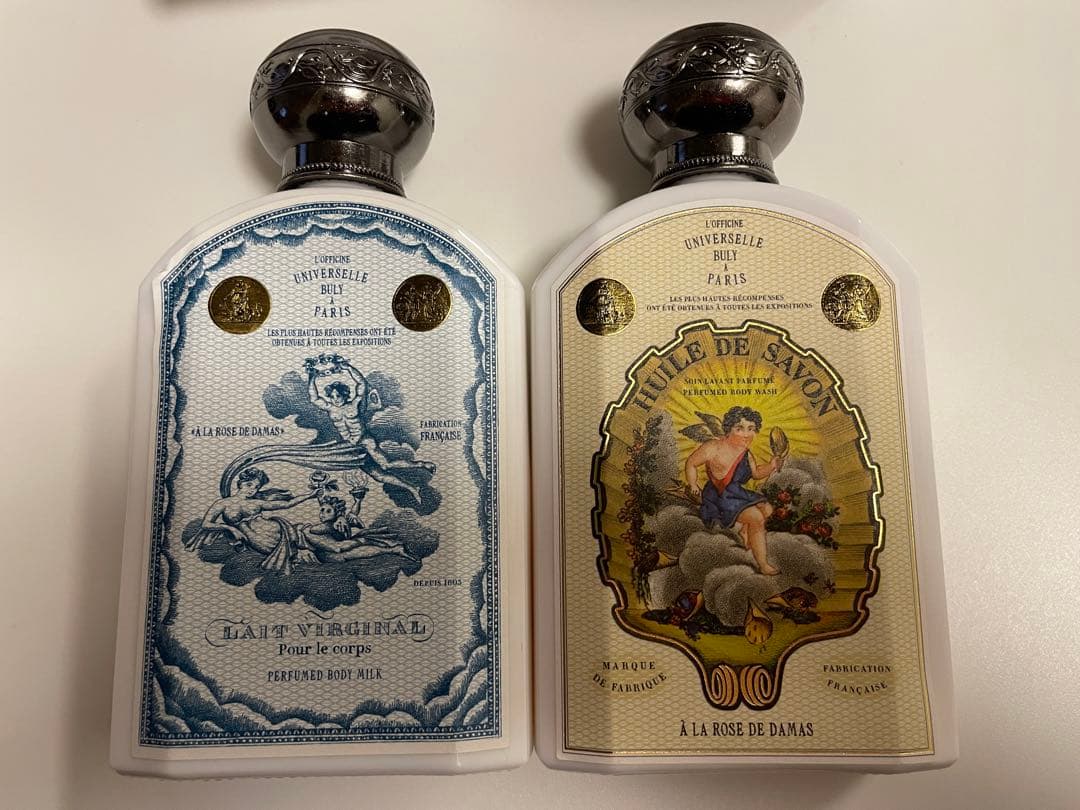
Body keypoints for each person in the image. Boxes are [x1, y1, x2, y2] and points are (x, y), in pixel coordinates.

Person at [684, 406, 786, 575]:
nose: (746, 434)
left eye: (751, 429)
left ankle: (745, 530)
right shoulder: (713, 447)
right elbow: (691, 463)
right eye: (740, 429)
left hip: (735, 493)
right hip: (719, 496)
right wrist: (693, 484)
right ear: (728, 429)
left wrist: (772, 465)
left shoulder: (746, 453)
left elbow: (756, 473)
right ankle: (763, 564)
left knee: (767, 509)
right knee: (757, 518)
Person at [187, 467, 319, 572]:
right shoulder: (222, 503)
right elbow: (206, 524)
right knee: (299, 555)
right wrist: (230, 528)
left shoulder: (256, 503)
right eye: (249, 485)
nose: (252, 490)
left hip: (275, 529)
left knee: (308, 538)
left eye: (256, 487)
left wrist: (309, 495)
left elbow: (287, 504)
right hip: (258, 540)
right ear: (240, 484)